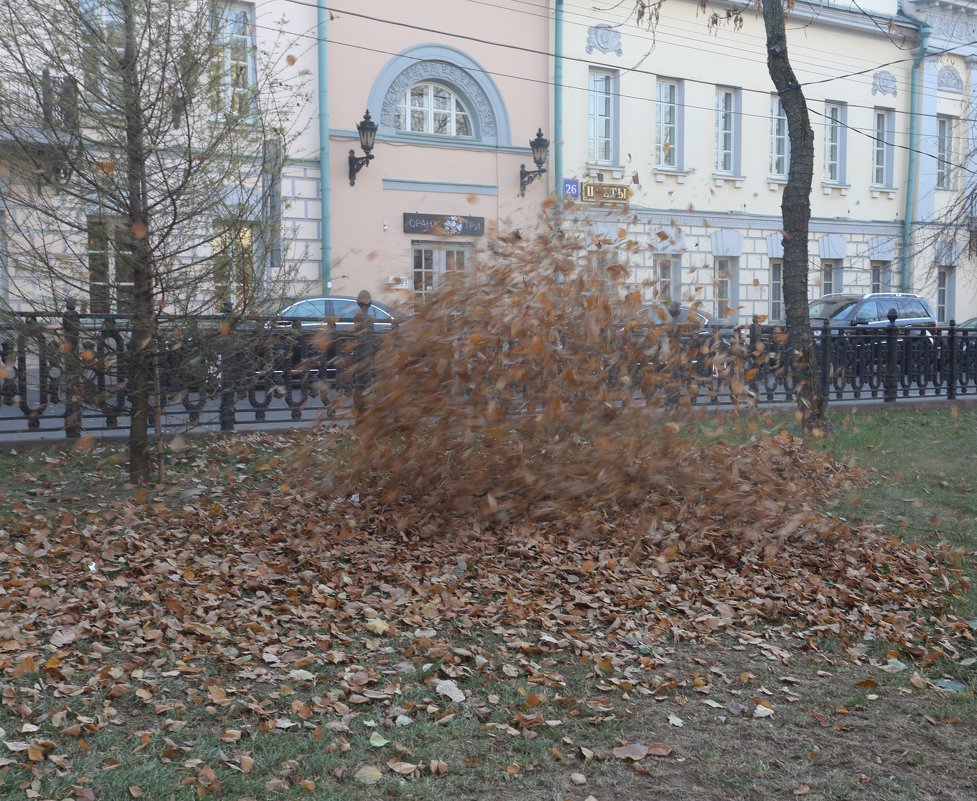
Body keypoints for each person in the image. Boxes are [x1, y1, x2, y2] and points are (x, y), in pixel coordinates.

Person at [352, 289, 376, 413]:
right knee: (365, 382)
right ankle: (364, 410)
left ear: (358, 303)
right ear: (370, 304)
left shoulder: (357, 317)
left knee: (361, 381)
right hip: (366, 352)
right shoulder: (369, 318)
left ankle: (361, 409)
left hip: (360, 352)